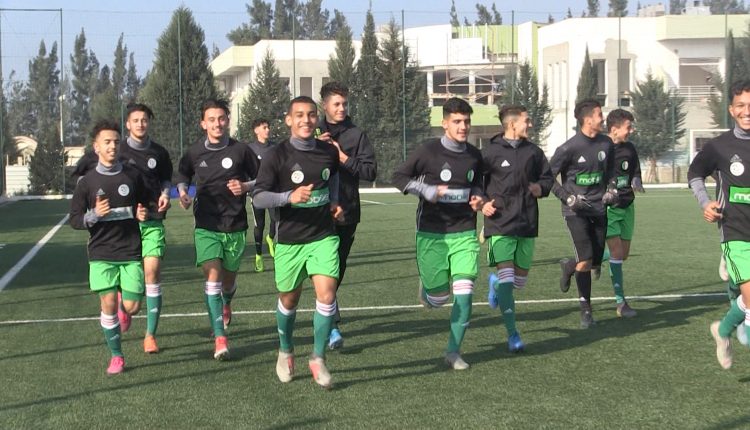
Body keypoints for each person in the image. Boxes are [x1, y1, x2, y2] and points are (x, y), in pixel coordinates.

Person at [253, 96, 342, 389]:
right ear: (289, 120)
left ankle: (317, 358)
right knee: (289, 299)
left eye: (311, 115)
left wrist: (335, 202)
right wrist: (288, 197)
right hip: (289, 239)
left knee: (327, 295)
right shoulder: (275, 156)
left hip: (323, 236)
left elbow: (334, 180)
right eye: (299, 115)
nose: (306, 120)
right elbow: (259, 196)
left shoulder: (328, 152)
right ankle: (285, 350)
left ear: (317, 119)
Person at [70, 103, 173, 353]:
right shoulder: (113, 147)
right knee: (128, 288)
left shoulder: (158, 152)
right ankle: (119, 303)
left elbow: (166, 178)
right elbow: (82, 174)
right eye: (135, 120)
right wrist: (92, 202)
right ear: (127, 124)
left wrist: (165, 194)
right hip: (121, 228)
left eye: (144, 120)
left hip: (150, 218)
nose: (140, 124)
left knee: (152, 272)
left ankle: (150, 335)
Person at [392, 97, 484, 370]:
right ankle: (429, 291)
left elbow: (479, 184)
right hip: (432, 232)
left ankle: (453, 351)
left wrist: (479, 198)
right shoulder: (428, 151)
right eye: (457, 121)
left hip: (464, 231)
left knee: (465, 295)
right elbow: (399, 178)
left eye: (467, 121)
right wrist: (427, 191)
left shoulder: (475, 155)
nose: (463, 126)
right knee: (438, 298)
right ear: (445, 123)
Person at [174, 99, 258, 360]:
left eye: (221, 118)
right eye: (211, 119)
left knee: (228, 281)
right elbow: (182, 175)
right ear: (203, 124)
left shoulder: (241, 151)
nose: (217, 123)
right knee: (212, 276)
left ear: (227, 120)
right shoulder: (194, 152)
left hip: (235, 225)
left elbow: (264, 178)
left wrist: (245, 187)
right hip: (206, 225)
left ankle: (227, 302)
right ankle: (220, 337)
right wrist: (182, 193)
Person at [70, 119, 148, 374]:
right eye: (107, 142)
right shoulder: (87, 182)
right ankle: (116, 356)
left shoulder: (132, 175)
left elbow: (144, 204)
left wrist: (142, 213)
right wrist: (94, 215)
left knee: (133, 307)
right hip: (101, 252)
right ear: (96, 147)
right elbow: (75, 219)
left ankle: (123, 301)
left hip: (130, 250)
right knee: (107, 305)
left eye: (116, 141)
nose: (113, 146)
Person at [689, 79, 750, 369]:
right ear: (731, 109)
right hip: (735, 231)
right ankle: (736, 326)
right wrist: (705, 203)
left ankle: (723, 330)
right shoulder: (720, 146)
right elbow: (695, 173)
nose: (746, 111)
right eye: (741, 105)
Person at [482, 105, 553, 352]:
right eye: (527, 120)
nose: (530, 125)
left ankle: (494, 285)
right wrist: (483, 204)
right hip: (499, 223)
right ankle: (513, 335)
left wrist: (540, 188)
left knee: (519, 283)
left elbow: (548, 178)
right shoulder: (489, 152)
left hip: (527, 221)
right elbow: (476, 183)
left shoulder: (534, 152)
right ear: (512, 124)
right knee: (508, 277)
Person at [316, 81, 377, 350]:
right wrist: (314, 148)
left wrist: (343, 159)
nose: (341, 108)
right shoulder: (311, 130)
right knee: (325, 268)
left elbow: (370, 172)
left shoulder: (356, 135)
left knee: (337, 268)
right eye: (336, 104)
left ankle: (327, 314)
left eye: (344, 104)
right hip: (316, 212)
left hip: (347, 213)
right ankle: (332, 324)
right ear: (324, 105)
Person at [550, 99, 617, 328]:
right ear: (588, 119)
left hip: (599, 209)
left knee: (594, 260)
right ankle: (586, 310)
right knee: (586, 259)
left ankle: (569, 266)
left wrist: (611, 189)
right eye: (599, 114)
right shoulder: (568, 148)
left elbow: (612, 173)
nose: (602, 118)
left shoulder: (607, 144)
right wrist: (567, 197)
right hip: (574, 211)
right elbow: (548, 177)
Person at [603, 109, 643, 318]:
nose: (631, 130)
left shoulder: (630, 148)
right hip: (609, 209)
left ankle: (580, 262)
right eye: (628, 127)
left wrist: (636, 180)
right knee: (617, 253)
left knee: (623, 254)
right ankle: (621, 302)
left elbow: (635, 169)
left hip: (628, 205)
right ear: (614, 129)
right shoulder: (601, 149)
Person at [247, 118, 277, 273]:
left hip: (273, 192)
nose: (268, 130)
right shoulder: (249, 149)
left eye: (268, 127)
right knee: (259, 225)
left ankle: (271, 238)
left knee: (275, 220)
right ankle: (258, 256)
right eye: (264, 127)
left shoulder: (275, 148)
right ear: (256, 130)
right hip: (257, 192)